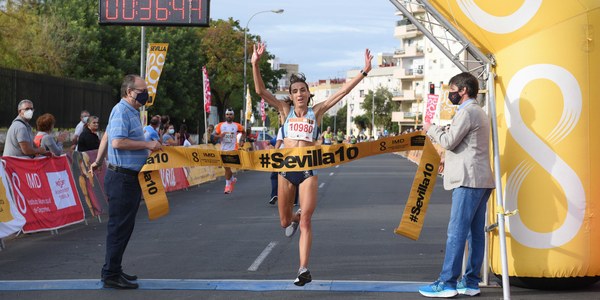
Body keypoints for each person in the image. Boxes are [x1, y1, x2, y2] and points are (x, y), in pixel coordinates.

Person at [252, 42, 372, 286]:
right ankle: (292, 219)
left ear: (308, 93)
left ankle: (303, 268)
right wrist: (254, 63)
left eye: (303, 90)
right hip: (286, 171)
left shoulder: (316, 113)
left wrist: (365, 70)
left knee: (306, 219)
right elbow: (261, 92)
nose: (299, 94)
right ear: (291, 94)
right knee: (285, 221)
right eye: (295, 90)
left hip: (308, 171)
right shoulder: (284, 110)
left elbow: (342, 93)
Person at [419, 72, 495, 298]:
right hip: (480, 179)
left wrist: (430, 128)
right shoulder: (478, 111)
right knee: (474, 234)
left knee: (456, 233)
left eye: (452, 89)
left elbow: (449, 141)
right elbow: (465, 146)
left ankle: (447, 282)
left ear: (463, 90)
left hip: (468, 180)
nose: (449, 94)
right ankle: (470, 281)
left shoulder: (467, 112)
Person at [89, 74, 162, 289]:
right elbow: (118, 141)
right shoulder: (122, 110)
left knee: (123, 227)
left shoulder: (130, 112)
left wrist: (99, 160)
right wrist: (147, 146)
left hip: (127, 177)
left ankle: (115, 269)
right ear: (129, 92)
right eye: (142, 90)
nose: (146, 94)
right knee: (119, 228)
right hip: (122, 178)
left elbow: (106, 138)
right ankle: (110, 273)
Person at [214, 108, 245, 194]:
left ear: (233, 116)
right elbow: (214, 137)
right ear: (225, 115)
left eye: (230, 114)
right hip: (223, 149)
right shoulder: (220, 125)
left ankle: (227, 185)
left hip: (233, 149)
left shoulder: (237, 125)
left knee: (227, 167)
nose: (229, 116)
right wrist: (221, 135)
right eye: (227, 114)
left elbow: (244, 132)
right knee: (227, 168)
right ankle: (232, 179)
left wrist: (242, 140)